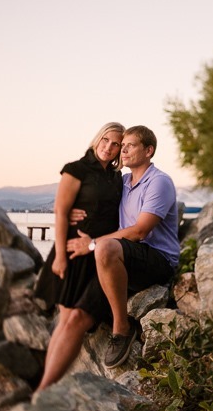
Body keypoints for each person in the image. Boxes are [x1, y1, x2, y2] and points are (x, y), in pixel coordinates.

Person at [66, 124, 180, 369]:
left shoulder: (158, 182)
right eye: (122, 146)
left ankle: (122, 328)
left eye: (130, 146)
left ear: (148, 150)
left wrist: (94, 244)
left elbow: (140, 231)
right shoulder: (124, 181)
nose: (123, 151)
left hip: (158, 259)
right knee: (76, 302)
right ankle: (100, 314)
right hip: (128, 256)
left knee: (103, 249)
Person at [34, 121, 124, 390]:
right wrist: (60, 255)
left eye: (116, 143)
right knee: (66, 319)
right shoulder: (76, 169)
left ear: (121, 149)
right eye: (106, 140)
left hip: (97, 251)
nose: (109, 147)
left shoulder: (117, 177)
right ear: (97, 139)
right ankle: (45, 386)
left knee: (71, 321)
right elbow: (61, 212)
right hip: (72, 252)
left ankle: (46, 385)